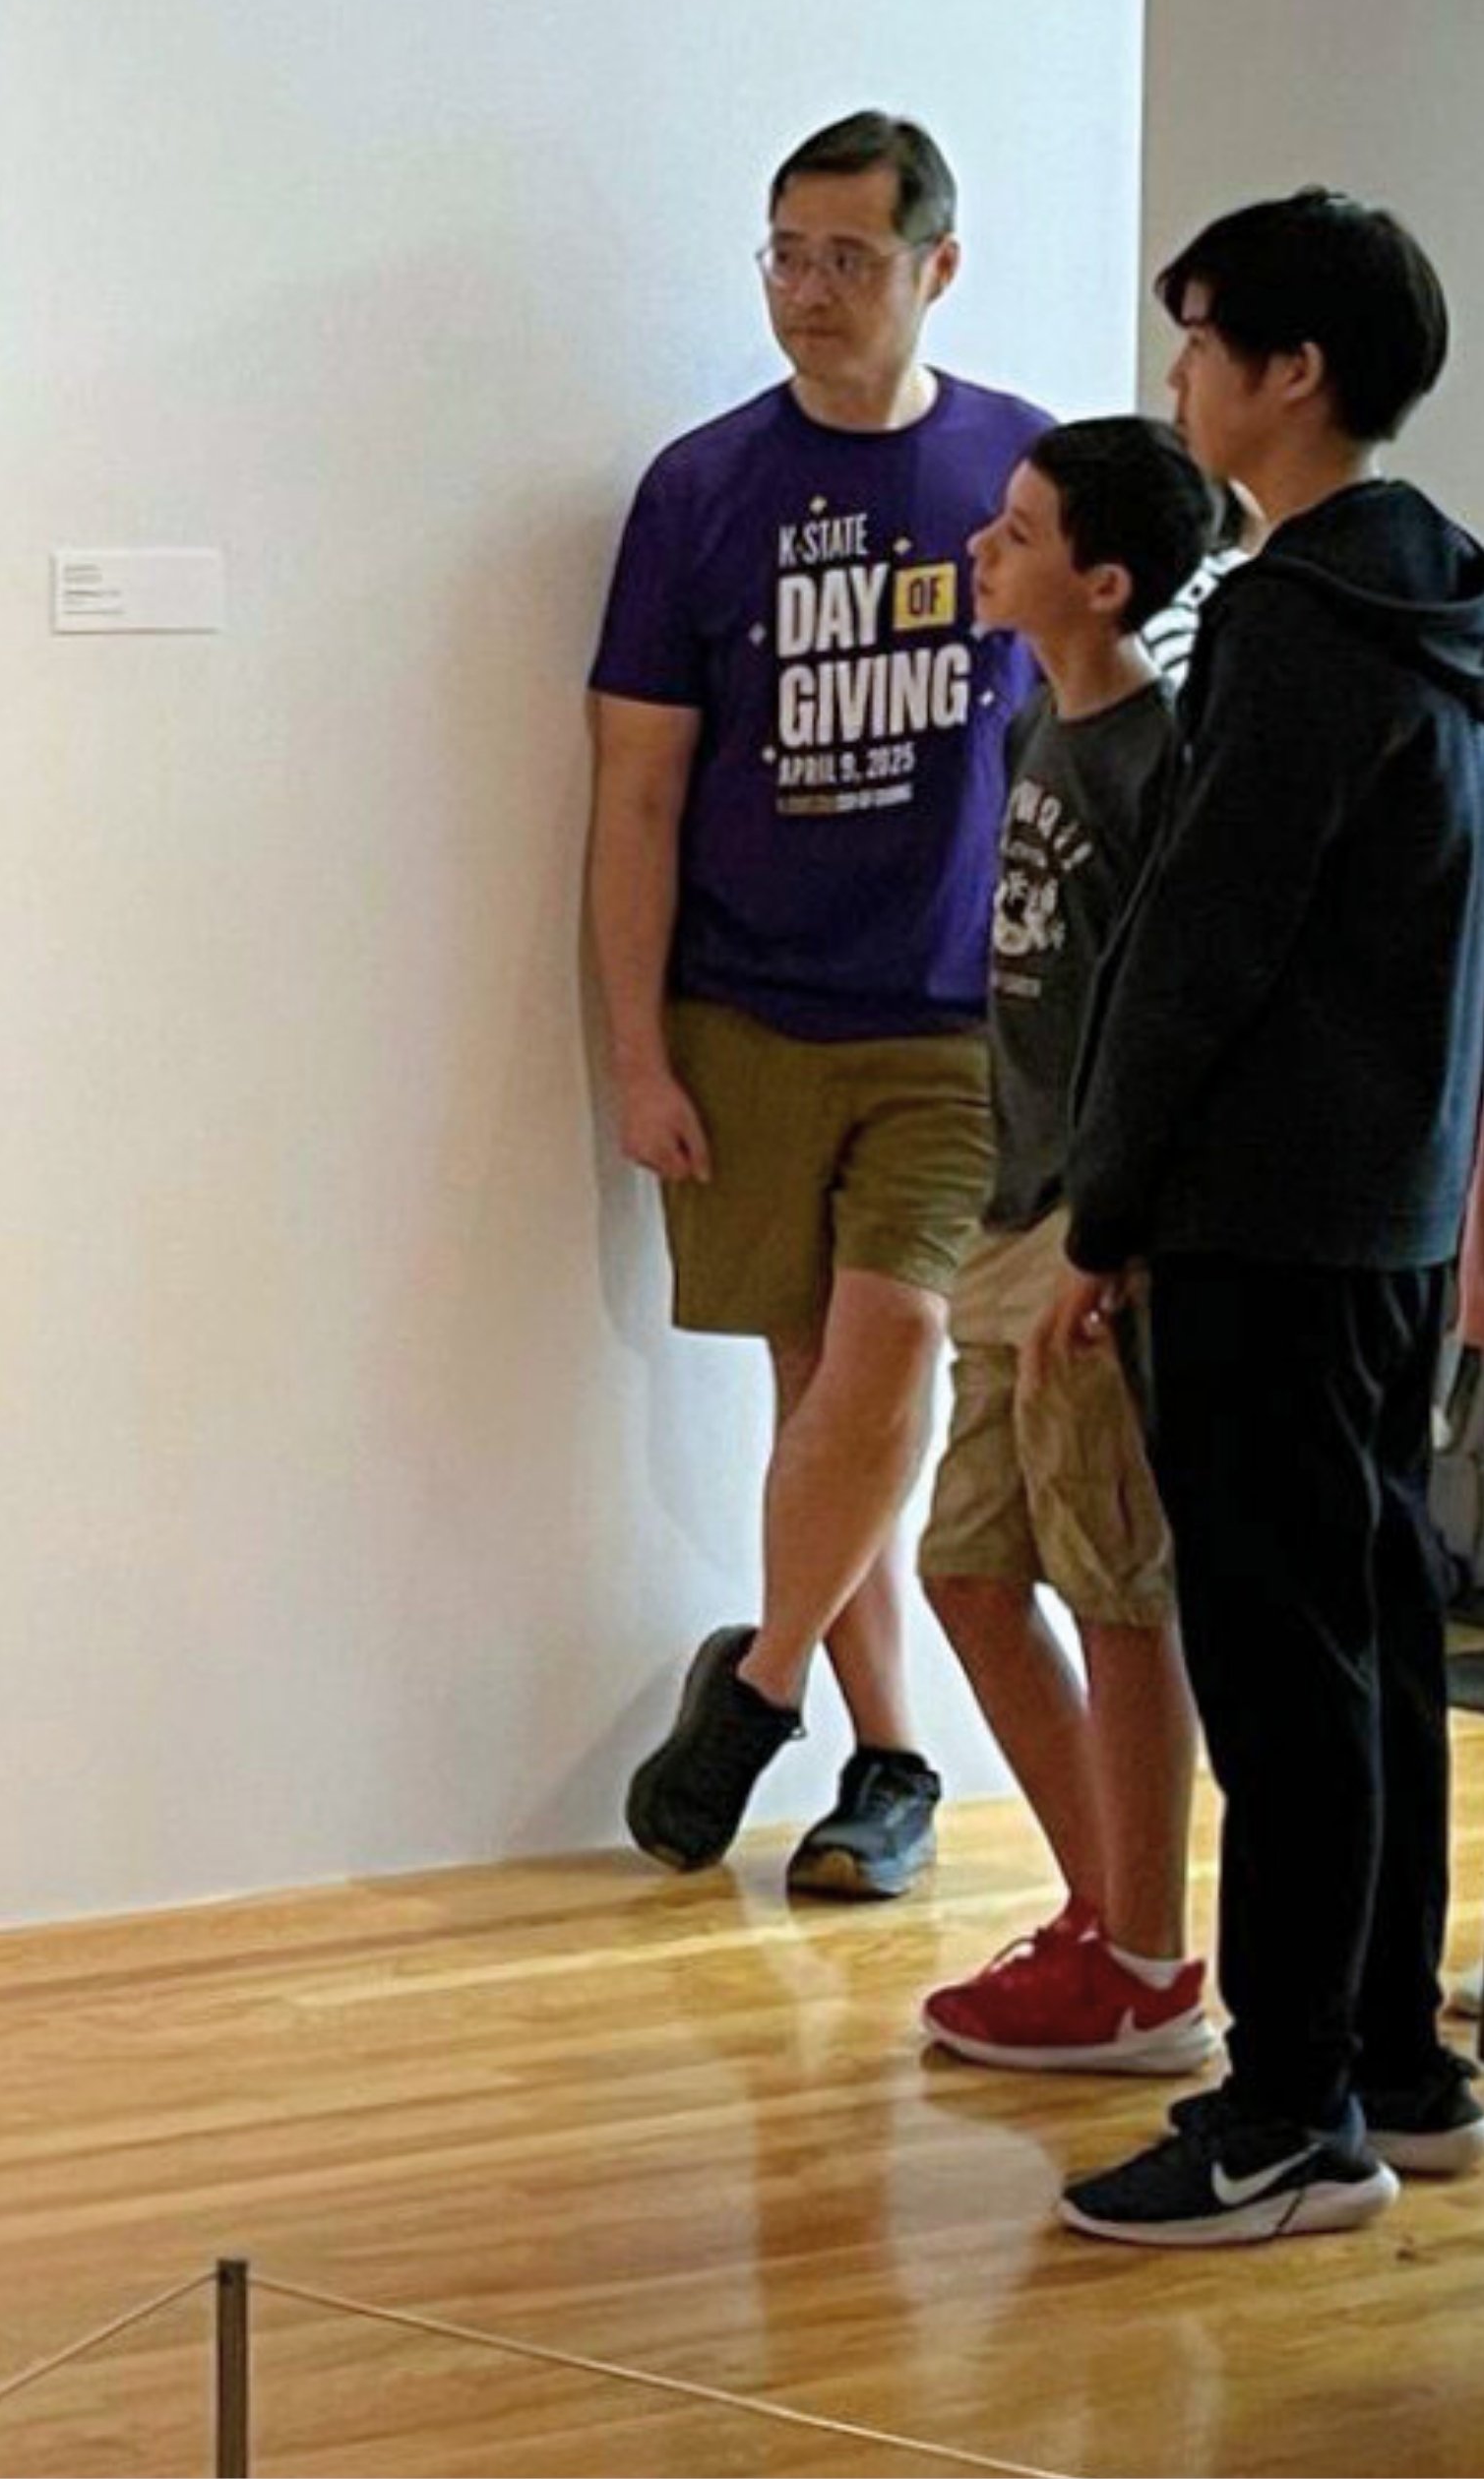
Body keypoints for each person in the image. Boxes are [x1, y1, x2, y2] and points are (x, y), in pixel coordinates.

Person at [1039, 191, 1484, 2246]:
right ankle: (1392, 2057)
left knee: (1285, 1674)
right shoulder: (1435, 594)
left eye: (1203, 340)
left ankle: (1293, 2114)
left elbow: (1200, 945)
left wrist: (1103, 1210)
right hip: (1382, 1212)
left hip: (1263, 1222)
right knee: (1368, 1637)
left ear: (1291, 374)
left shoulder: (1295, 625)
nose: (1180, 376)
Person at [588, 112, 1051, 1895]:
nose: (806, 291)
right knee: (816, 1396)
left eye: (848, 258)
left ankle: (761, 1681)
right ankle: (888, 1762)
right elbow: (634, 791)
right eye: (785, 253)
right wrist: (639, 1052)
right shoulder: (699, 489)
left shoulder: (1018, 471)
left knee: (895, 1347)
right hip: (746, 1014)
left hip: (951, 1020)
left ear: (938, 266)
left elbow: (1087, 735)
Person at [912, 419, 1226, 2074]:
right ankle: (1101, 1913)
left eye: (1020, 532)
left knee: (1113, 1584)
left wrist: (1120, 1238)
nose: (984, 546)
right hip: (1011, 1206)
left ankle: (1151, 1966)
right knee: (966, 1564)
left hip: (1094, 1232)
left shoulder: (1156, 762)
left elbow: (1178, 1023)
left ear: (1101, 584)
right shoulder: (1037, 718)